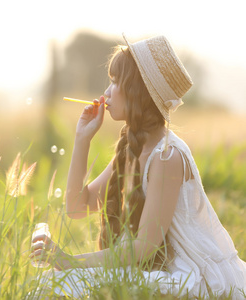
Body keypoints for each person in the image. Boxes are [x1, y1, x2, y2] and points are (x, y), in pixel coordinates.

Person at [30, 34, 246, 299]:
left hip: (188, 276)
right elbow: (77, 207)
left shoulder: (167, 157)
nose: (106, 92)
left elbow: (143, 246)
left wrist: (69, 261)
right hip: (157, 269)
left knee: (61, 282)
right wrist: (82, 139)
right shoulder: (132, 147)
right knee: (54, 282)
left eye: (114, 81)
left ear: (138, 91)